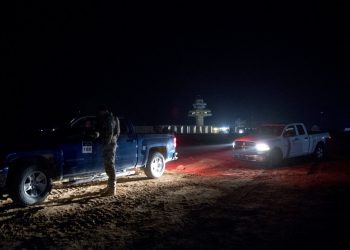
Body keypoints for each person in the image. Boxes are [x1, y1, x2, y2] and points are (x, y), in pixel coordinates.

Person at [96, 105, 119, 196]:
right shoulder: (113, 118)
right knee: (108, 165)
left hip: (109, 145)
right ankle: (110, 187)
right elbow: (117, 132)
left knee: (109, 165)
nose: (99, 113)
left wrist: (105, 143)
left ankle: (112, 189)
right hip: (111, 144)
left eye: (100, 112)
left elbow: (110, 133)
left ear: (104, 111)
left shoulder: (109, 119)